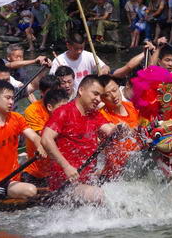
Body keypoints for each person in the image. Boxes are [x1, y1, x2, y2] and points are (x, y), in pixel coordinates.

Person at [41, 75, 117, 203]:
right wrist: (66, 167)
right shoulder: (63, 112)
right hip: (64, 183)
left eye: (101, 96)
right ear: (81, 90)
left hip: (87, 179)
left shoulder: (94, 114)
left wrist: (122, 129)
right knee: (98, 195)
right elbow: (46, 139)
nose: (99, 99)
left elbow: (110, 131)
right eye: (95, 94)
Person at [23, 86, 69, 187]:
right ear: (49, 107)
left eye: (66, 108)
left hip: (56, 173)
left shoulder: (67, 119)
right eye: (61, 107)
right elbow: (42, 138)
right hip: (34, 173)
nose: (65, 112)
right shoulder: (39, 117)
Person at [99, 75, 141, 180]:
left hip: (140, 164)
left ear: (119, 87)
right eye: (107, 95)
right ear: (101, 98)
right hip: (116, 175)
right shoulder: (101, 115)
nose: (113, 96)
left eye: (114, 90)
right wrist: (120, 128)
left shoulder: (132, 106)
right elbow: (113, 130)